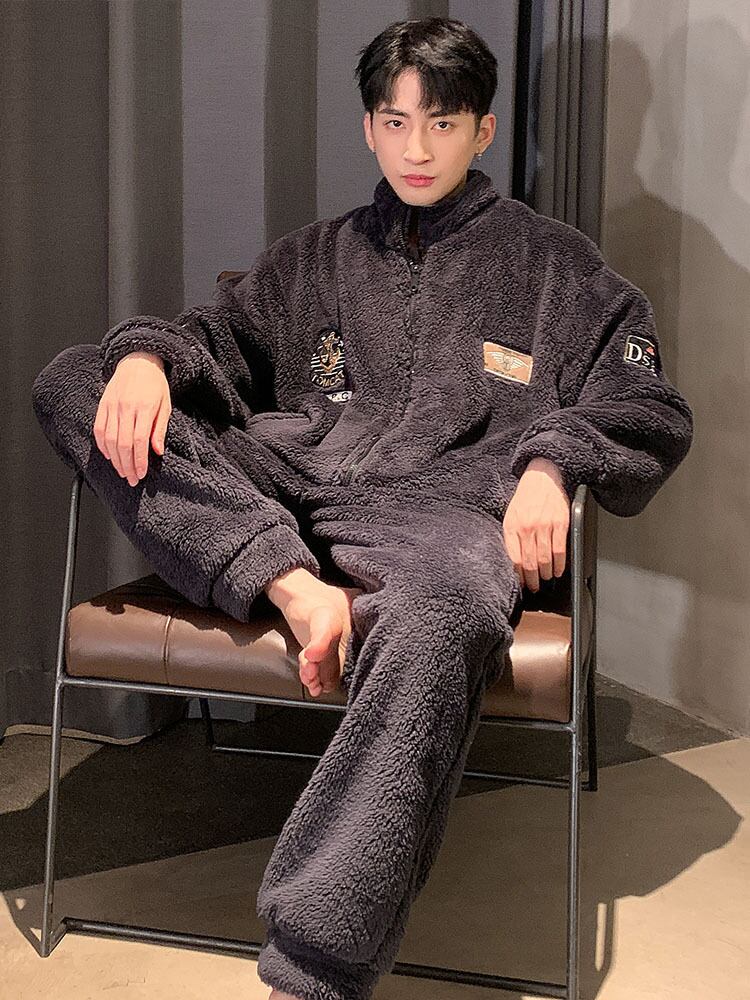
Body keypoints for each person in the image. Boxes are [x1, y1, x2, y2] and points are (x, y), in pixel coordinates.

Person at [31, 16, 693, 1000]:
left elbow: (649, 407)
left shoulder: (558, 268)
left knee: (451, 606)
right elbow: (210, 336)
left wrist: (552, 462)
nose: (416, 148)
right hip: (282, 482)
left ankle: (314, 965)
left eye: (442, 123)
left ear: (483, 129)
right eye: (395, 121)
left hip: (443, 515)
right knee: (74, 379)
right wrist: (144, 359)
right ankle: (289, 585)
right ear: (369, 127)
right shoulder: (314, 258)